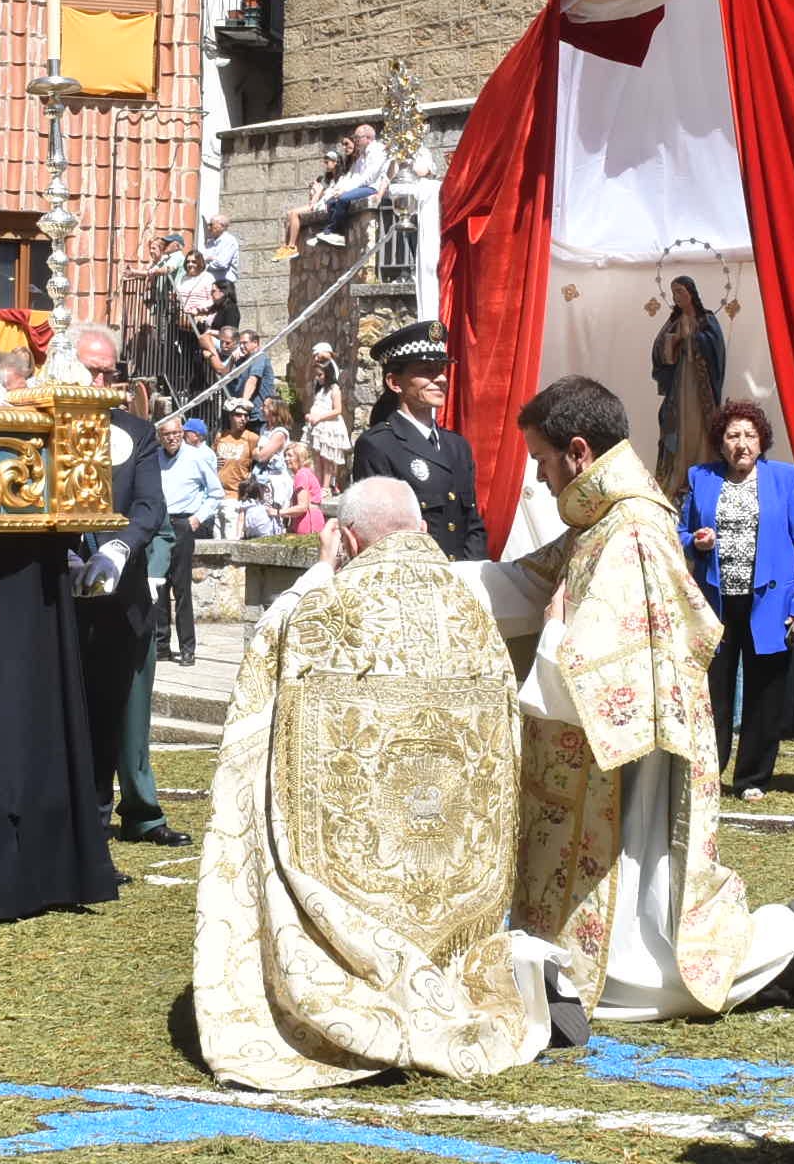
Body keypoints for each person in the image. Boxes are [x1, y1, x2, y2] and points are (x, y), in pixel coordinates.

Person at [458, 376, 794, 1026]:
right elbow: (522, 584)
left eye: (541, 460)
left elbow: (594, 661)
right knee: (632, 934)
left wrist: (558, 631)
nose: (539, 478)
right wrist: (417, 572)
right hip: (629, 750)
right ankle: (780, 944)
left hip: (640, 761)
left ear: (579, 452)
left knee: (642, 958)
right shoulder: (609, 517)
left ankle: (785, 948)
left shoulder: (632, 531)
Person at [193, 477, 557, 1089]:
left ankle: (363, 983)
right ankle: (446, 976)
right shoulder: (470, 608)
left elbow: (270, 647)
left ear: (349, 538)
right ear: (420, 527)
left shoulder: (328, 605)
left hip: (366, 851)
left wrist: (320, 571)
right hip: (450, 859)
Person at [67, 325, 184, 847]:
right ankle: (81, 825)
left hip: (124, 595)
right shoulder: (41, 425)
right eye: (91, 368)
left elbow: (149, 504)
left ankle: (131, 815)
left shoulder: (136, 431)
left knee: (122, 710)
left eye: (108, 370)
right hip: (63, 598)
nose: (100, 378)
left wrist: (122, 546)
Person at [680, 401, 794, 799]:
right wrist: (695, 541)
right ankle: (710, 772)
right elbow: (679, 530)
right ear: (720, 443)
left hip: (772, 605)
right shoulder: (701, 477)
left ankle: (752, 779)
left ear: (762, 441)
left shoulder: (786, 478)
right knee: (713, 692)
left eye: (749, 436)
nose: (742, 444)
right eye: (732, 436)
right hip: (718, 603)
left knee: (765, 693)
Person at [352, 321, 487, 564]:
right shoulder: (378, 446)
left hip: (461, 582)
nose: (440, 379)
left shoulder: (457, 446)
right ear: (395, 383)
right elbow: (378, 535)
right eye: (426, 370)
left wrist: (468, 576)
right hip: (413, 581)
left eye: (442, 369)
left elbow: (473, 524)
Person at [647, 278, 725, 502]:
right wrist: (674, 342)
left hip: (701, 386)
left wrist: (694, 338)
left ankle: (702, 471)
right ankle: (678, 475)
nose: (677, 298)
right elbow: (661, 352)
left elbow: (716, 348)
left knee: (700, 426)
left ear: (691, 292)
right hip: (680, 385)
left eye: (680, 292)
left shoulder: (706, 319)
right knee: (679, 426)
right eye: (674, 294)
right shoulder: (674, 321)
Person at [154, 416, 221, 665]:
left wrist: (198, 518)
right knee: (158, 585)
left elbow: (216, 493)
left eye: (175, 433)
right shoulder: (155, 458)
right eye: (166, 434)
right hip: (159, 525)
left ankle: (187, 648)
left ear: (182, 433)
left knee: (181, 588)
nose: (171, 438)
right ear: (160, 437)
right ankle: (161, 646)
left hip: (183, 524)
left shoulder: (196, 458)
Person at [281, 123, 386, 255]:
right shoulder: (363, 155)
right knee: (331, 201)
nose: (356, 141)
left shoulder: (377, 151)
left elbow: (369, 177)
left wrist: (346, 191)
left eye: (357, 137)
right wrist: (342, 189)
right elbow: (355, 177)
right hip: (362, 185)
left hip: (372, 187)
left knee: (343, 199)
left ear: (369, 138)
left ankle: (335, 232)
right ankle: (328, 232)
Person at [303, 341, 351, 486]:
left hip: (328, 426)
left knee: (327, 458)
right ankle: (317, 485)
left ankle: (326, 485)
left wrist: (319, 417)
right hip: (317, 426)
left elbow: (337, 410)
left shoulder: (334, 388)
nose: (318, 378)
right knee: (317, 457)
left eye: (320, 375)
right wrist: (310, 416)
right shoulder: (319, 389)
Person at [201, 214, 242, 330]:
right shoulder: (210, 243)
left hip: (224, 286)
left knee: (226, 315)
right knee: (211, 317)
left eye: (211, 224)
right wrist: (209, 259)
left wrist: (207, 262)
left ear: (222, 226)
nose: (208, 227)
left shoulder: (229, 241)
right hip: (212, 285)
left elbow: (222, 263)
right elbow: (202, 259)